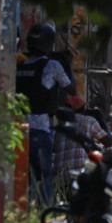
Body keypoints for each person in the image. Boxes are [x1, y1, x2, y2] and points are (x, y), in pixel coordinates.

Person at [16, 23, 75, 204]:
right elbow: (71, 88)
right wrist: (66, 63)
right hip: (40, 129)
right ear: (49, 44)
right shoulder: (52, 65)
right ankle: (47, 216)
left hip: (17, 131)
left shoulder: (18, 64)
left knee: (20, 178)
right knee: (44, 177)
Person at [53, 95, 112, 194]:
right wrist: (103, 122)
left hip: (60, 179)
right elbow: (108, 142)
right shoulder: (88, 120)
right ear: (83, 108)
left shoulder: (60, 126)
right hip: (80, 175)